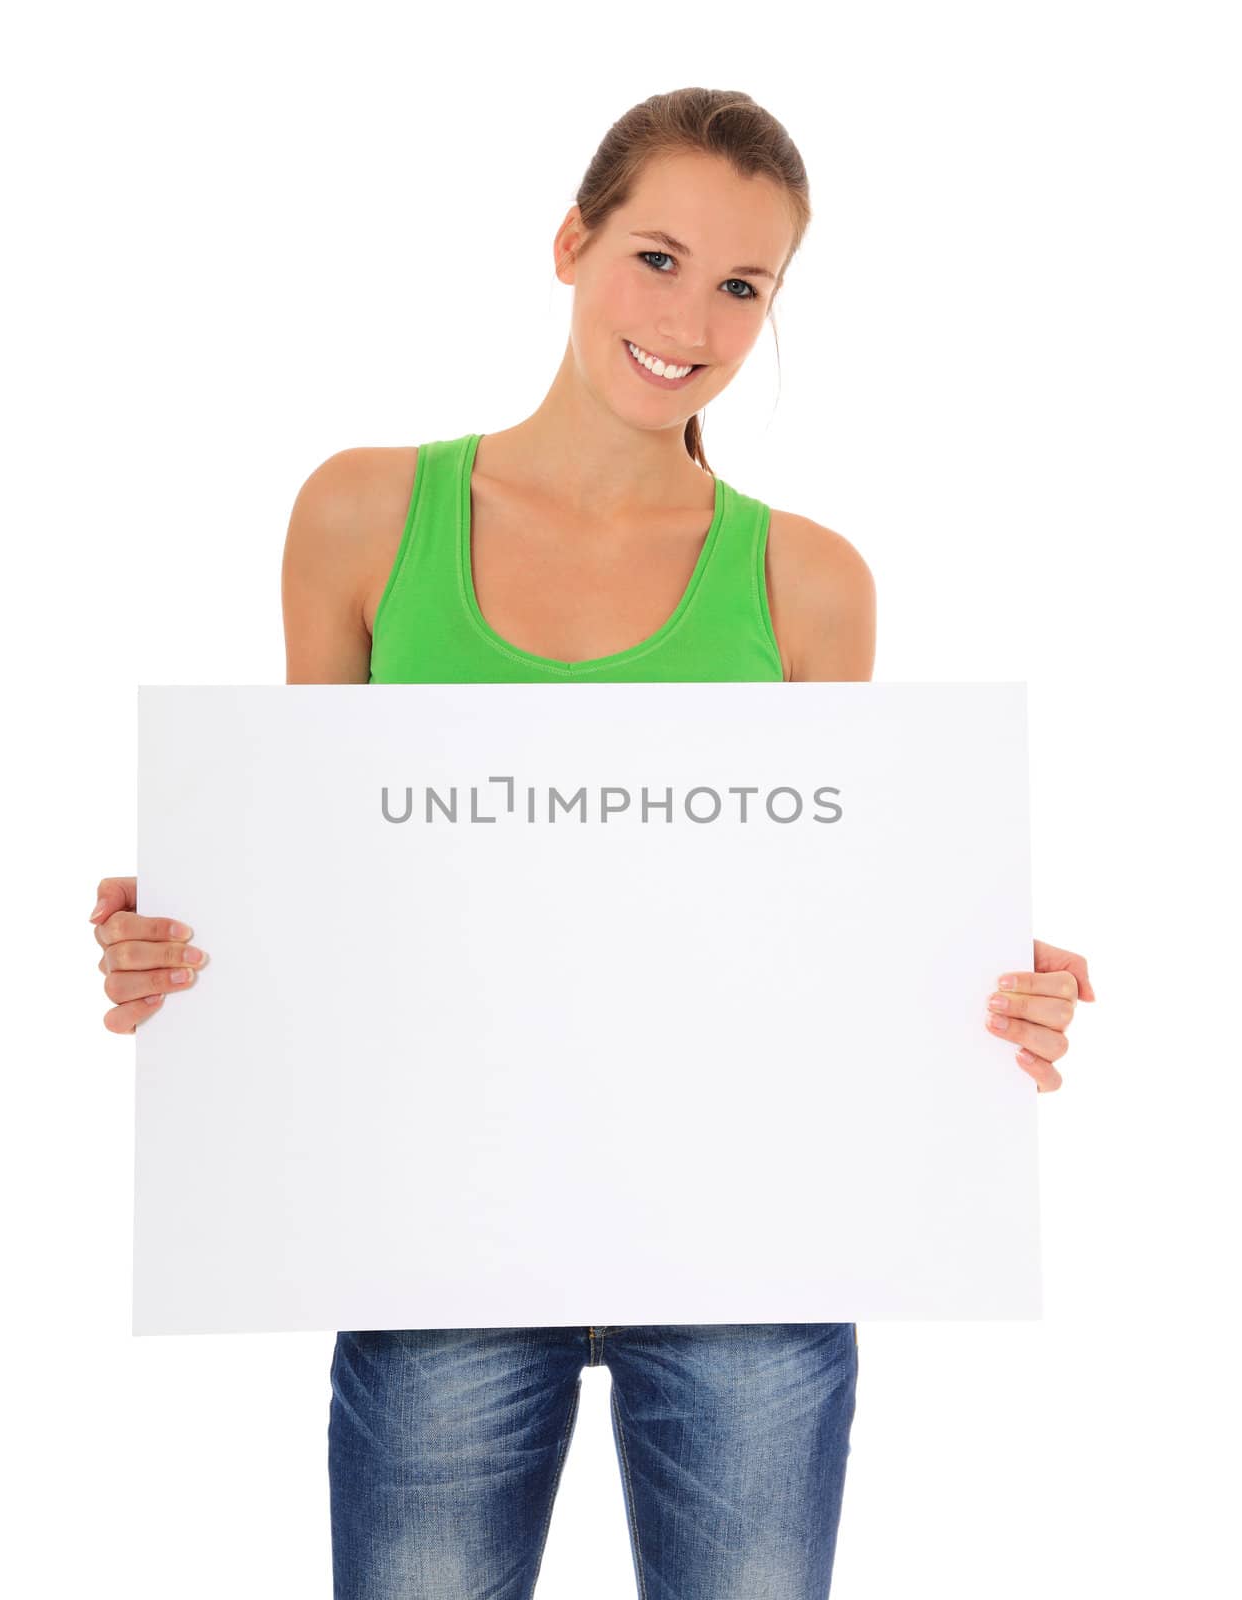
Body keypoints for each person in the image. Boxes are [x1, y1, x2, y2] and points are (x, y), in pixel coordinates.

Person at [89, 87, 1094, 1600]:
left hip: (747, 1244)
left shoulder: (810, 584)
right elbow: (321, 869)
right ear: (571, 242)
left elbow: (828, 922)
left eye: (744, 286)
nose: (690, 317)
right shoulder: (364, 513)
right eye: (657, 256)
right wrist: (193, 937)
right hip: (438, 1235)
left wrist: (974, 990)